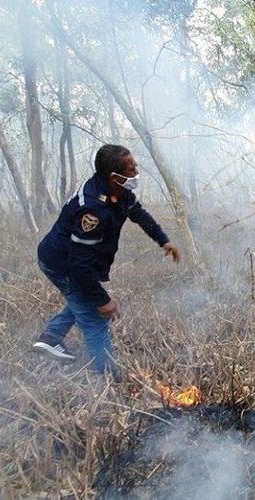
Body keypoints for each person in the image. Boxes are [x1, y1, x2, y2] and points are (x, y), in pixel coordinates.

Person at [33, 144, 180, 377]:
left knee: (81, 299)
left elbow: (138, 213)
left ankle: (50, 337)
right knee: (94, 317)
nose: (136, 174)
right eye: (132, 170)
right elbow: (78, 266)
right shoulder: (92, 210)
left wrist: (163, 240)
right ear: (115, 176)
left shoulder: (118, 192)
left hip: (71, 260)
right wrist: (103, 300)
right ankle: (110, 380)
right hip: (62, 264)